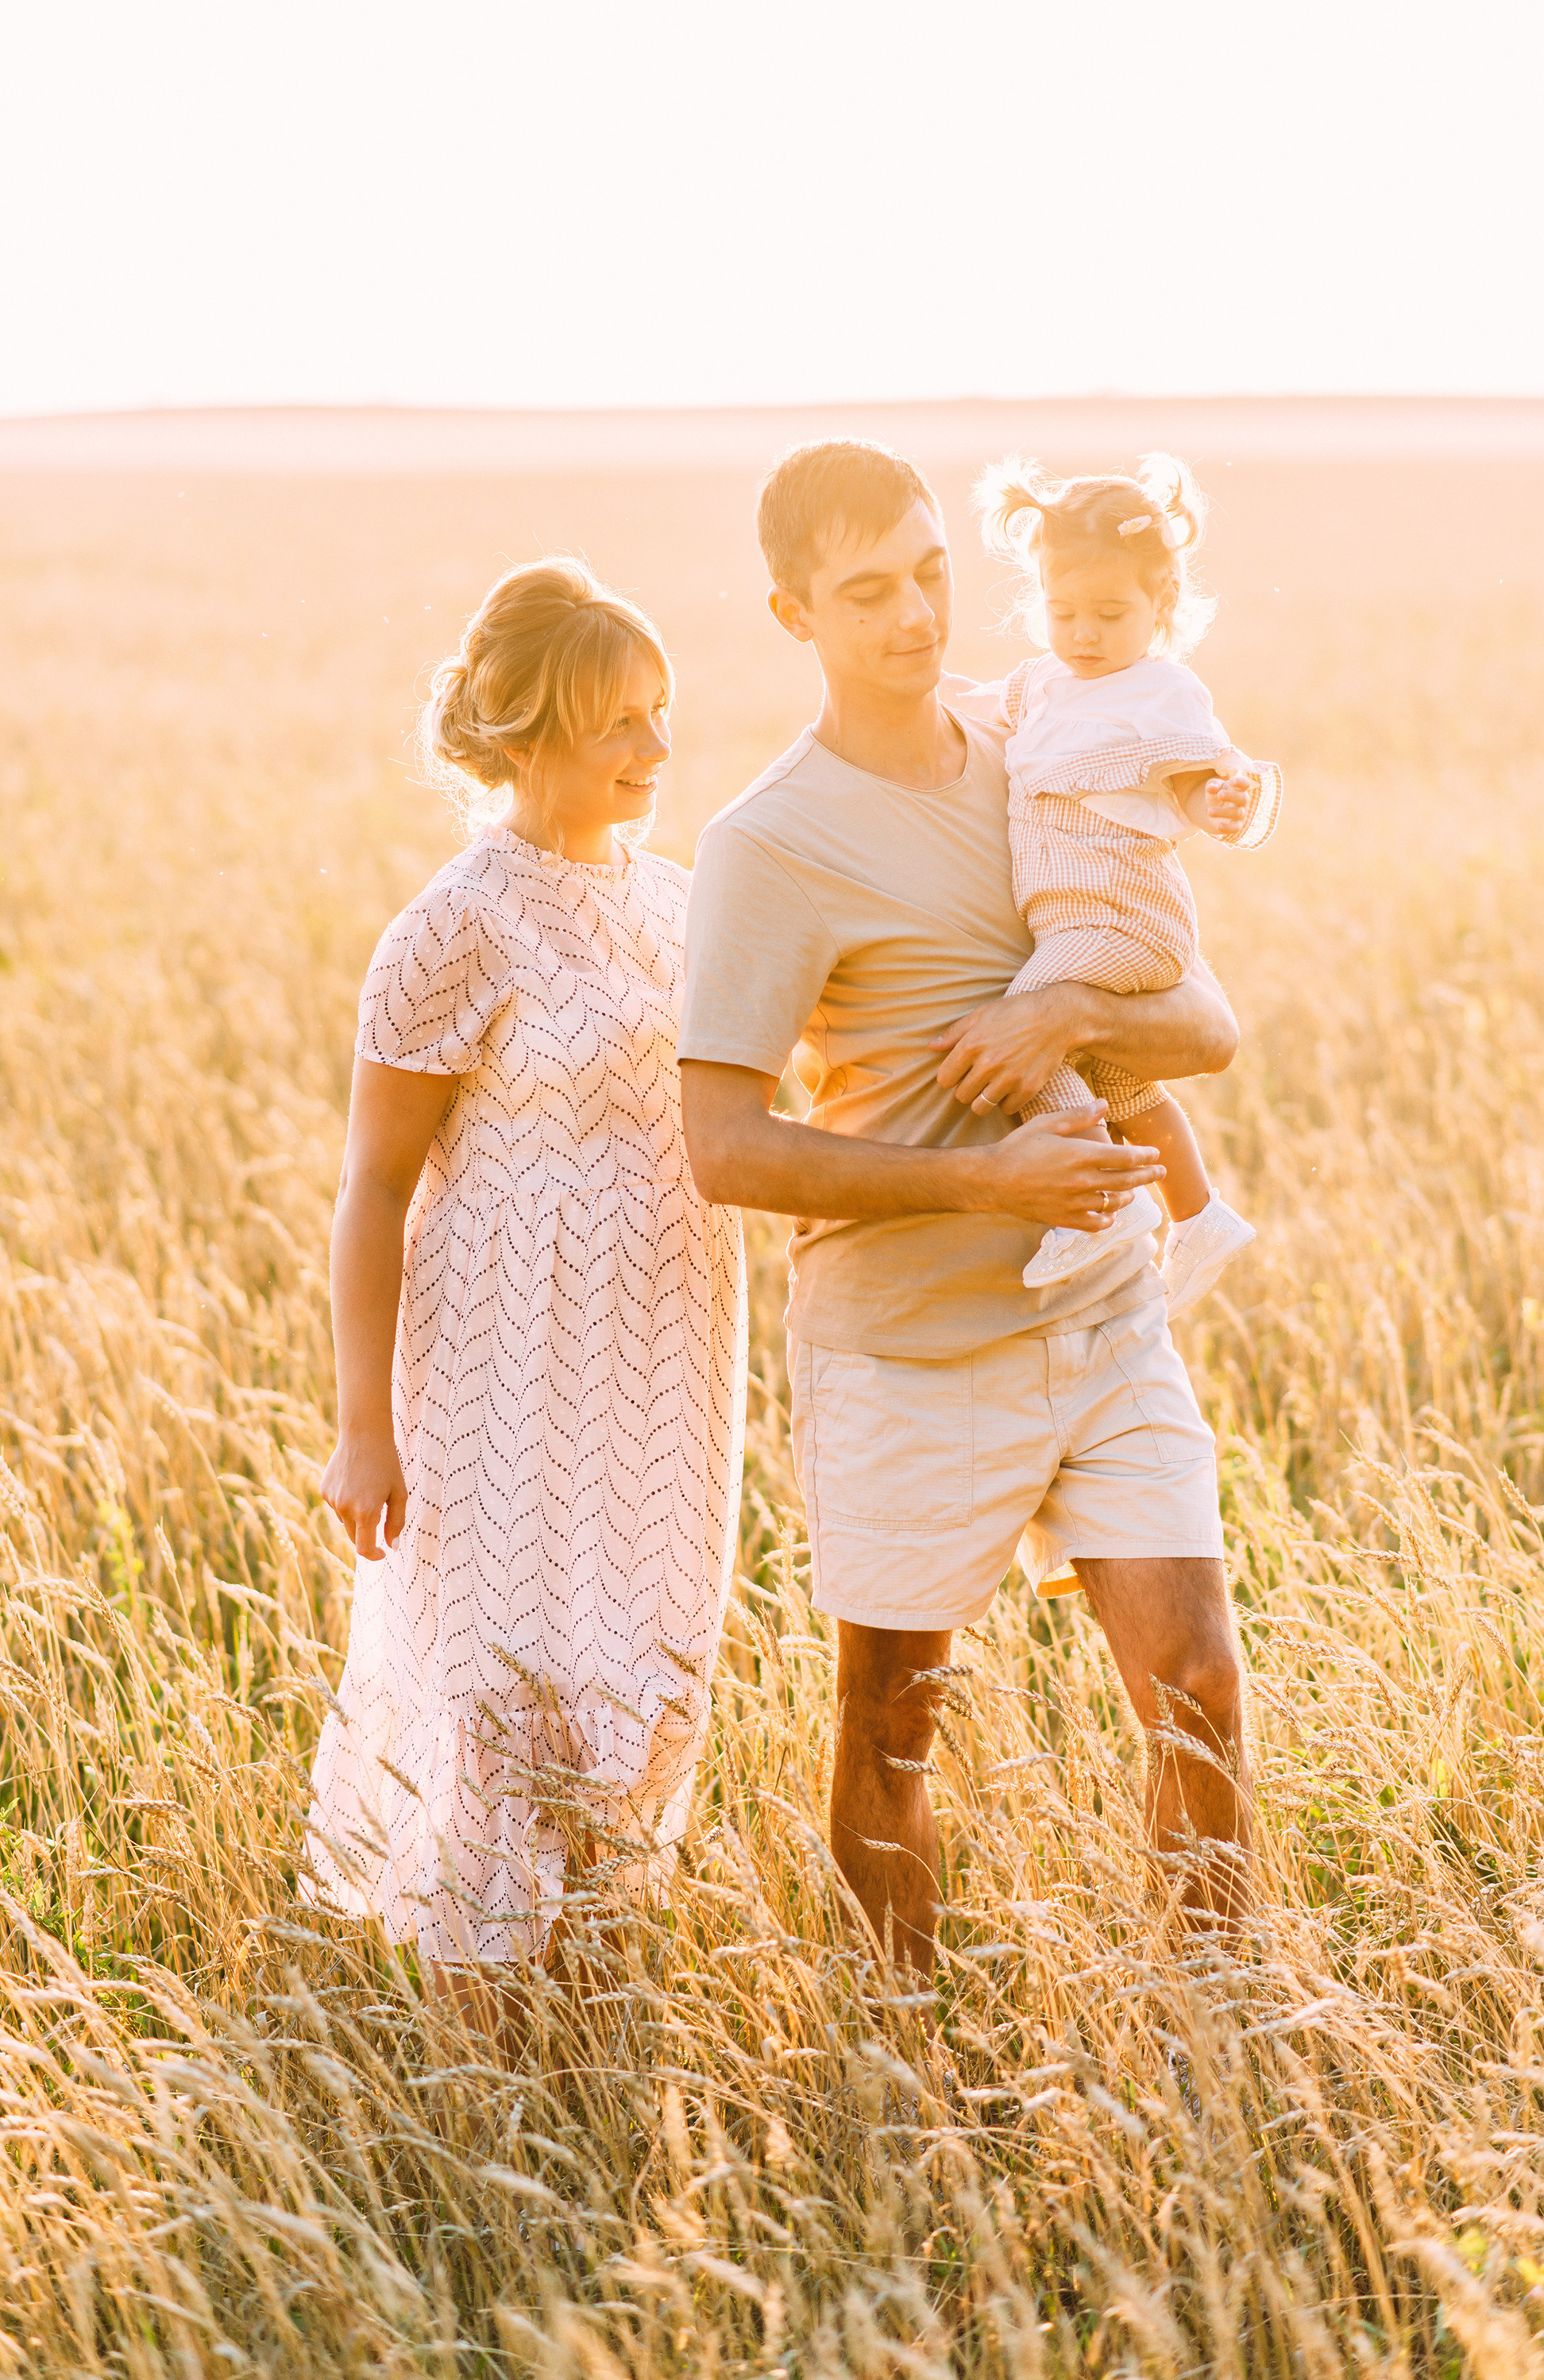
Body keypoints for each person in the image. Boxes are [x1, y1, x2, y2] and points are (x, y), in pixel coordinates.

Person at [678, 442, 1251, 1981]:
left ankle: (1229, 2053)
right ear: (792, 610)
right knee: (894, 1722)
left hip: (1103, 1319)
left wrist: (1064, 1026)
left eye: (932, 571)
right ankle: (896, 2055)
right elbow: (724, 1146)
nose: (918, 615)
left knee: (1195, 1682)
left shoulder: (1041, 741)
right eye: (868, 592)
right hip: (905, 1352)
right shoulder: (767, 843)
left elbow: (1202, 1027)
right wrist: (982, 1180)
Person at [304, 559, 747, 2008]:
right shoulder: (452, 927)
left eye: (662, 715)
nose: (658, 751)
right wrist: (362, 1424)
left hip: (671, 1348)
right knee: (508, 1699)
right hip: (503, 1359)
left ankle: (596, 2003)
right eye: (625, 722)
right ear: (535, 731)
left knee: (653, 1673)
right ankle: (483, 2044)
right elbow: (373, 1189)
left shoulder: (685, 906)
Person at [967, 451, 1282, 1314]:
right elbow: (966, 718)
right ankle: (1200, 1214)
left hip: (1125, 917)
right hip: (1072, 919)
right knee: (1121, 1083)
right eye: (1062, 611)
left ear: (1161, 606)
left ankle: (1097, 1199)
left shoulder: (1160, 692)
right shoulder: (1039, 683)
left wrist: (1215, 800)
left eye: (1110, 613)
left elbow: (1193, 774)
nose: (1084, 633)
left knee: (1025, 1033)